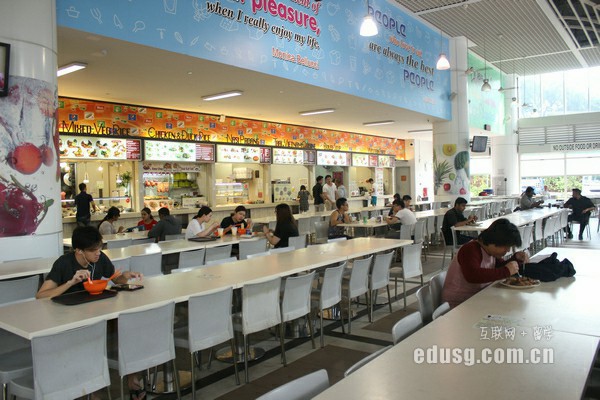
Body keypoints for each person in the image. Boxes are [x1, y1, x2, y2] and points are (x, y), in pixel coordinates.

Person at [442, 218, 526, 308]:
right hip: (457, 304)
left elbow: (498, 268)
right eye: (505, 247)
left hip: (477, 297)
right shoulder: (470, 249)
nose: (508, 250)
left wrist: (516, 259)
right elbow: (473, 275)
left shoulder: (491, 252)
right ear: (494, 241)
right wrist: (506, 271)